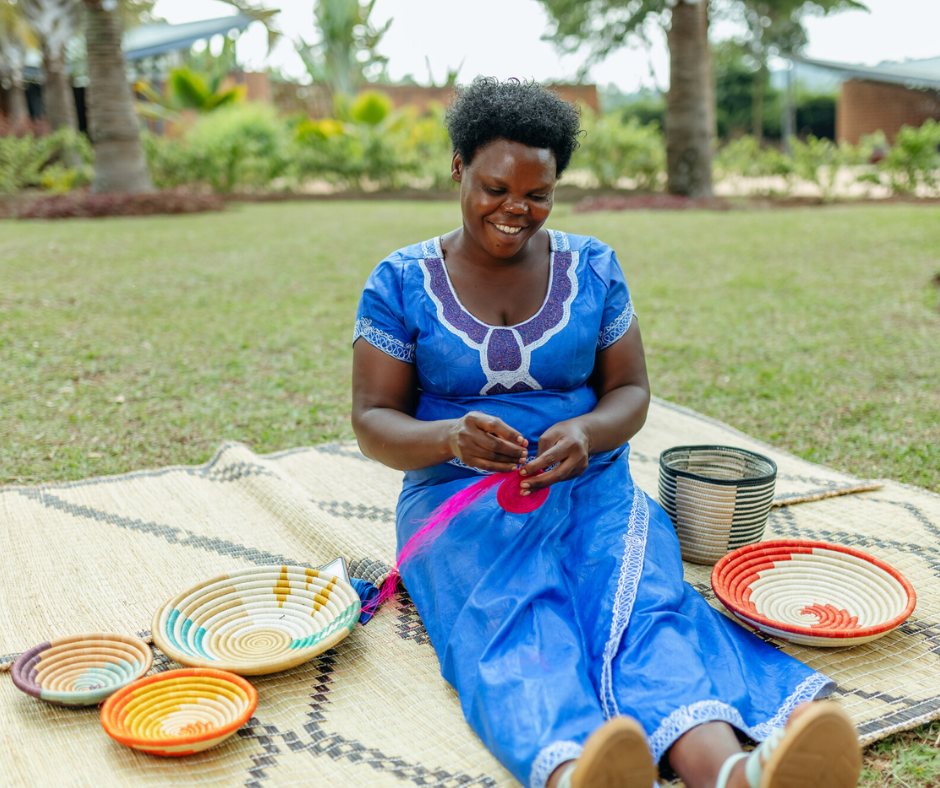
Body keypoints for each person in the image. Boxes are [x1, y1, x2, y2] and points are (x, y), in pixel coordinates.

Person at [351, 78, 862, 788]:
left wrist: (589, 433)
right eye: (496, 187)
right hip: (457, 501)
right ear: (458, 168)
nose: (515, 210)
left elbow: (630, 390)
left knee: (645, 603)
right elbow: (372, 422)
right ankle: (574, 769)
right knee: (517, 619)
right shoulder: (400, 281)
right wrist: (447, 440)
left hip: (589, 481)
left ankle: (731, 774)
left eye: (538, 194)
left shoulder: (591, 267)